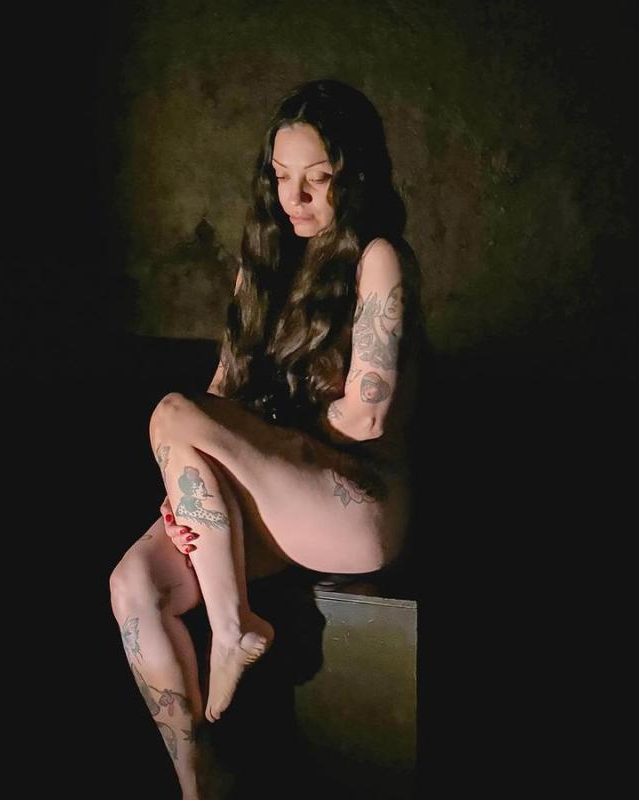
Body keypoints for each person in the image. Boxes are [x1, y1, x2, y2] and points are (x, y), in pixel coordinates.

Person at [109, 77, 423, 800]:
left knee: (172, 412)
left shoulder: (378, 256)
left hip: (354, 501)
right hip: (273, 497)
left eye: (318, 179)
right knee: (133, 584)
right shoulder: (264, 262)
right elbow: (220, 396)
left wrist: (253, 447)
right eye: (282, 177)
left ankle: (232, 627)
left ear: (354, 177)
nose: (296, 198)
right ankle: (197, 781)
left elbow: (368, 416)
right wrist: (185, 491)